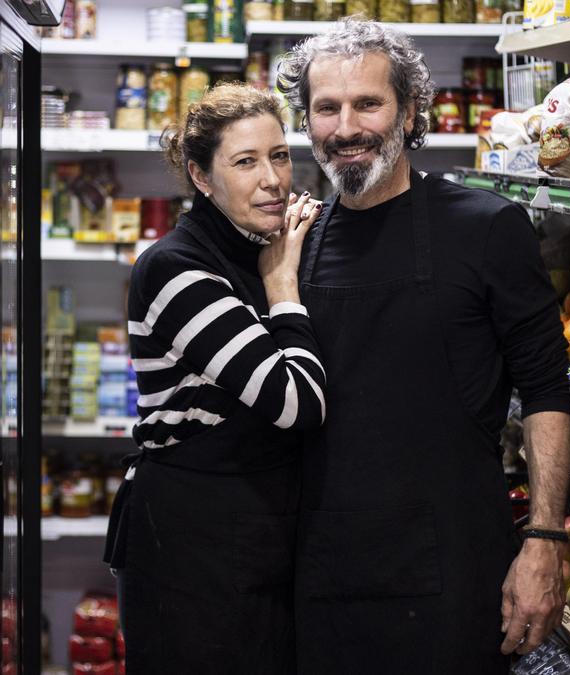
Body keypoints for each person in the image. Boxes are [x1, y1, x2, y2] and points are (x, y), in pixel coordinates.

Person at [276, 19, 570, 673]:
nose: (346, 127)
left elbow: (547, 390)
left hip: (454, 571)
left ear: (410, 112)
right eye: (326, 107)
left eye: (367, 103)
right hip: (325, 575)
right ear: (307, 121)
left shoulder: (488, 227)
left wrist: (546, 540)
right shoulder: (294, 246)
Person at [103, 83, 325, 674]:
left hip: (253, 532)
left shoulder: (265, 246)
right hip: (188, 543)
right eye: (245, 162)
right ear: (202, 178)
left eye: (279, 156)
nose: (273, 179)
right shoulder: (176, 266)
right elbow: (295, 402)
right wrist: (283, 292)